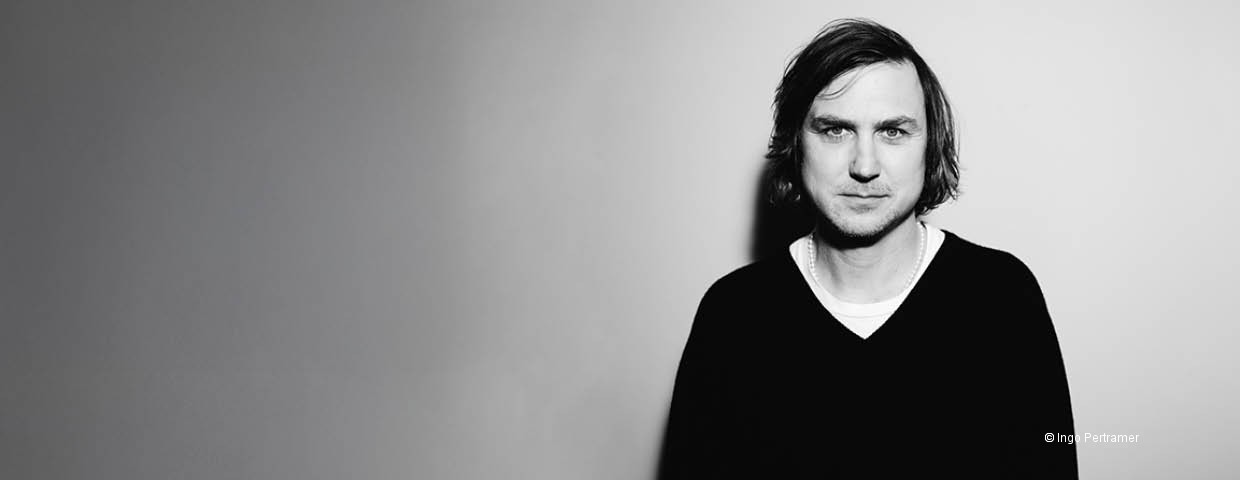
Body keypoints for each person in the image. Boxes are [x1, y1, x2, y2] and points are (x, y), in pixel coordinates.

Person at [658, 19, 1077, 478]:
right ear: (797, 144)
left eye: (892, 131)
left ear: (930, 146)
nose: (864, 165)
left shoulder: (1002, 297)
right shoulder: (733, 313)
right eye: (835, 130)